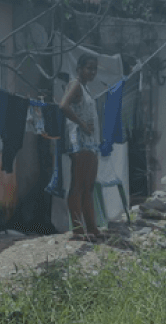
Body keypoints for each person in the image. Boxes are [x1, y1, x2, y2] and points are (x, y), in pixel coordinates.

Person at [60, 54, 103, 242]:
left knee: (89, 186)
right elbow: (63, 106)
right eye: (89, 68)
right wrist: (83, 125)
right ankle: (78, 229)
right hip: (80, 142)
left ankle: (92, 227)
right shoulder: (75, 84)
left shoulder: (85, 88)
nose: (92, 72)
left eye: (94, 69)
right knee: (77, 185)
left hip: (91, 143)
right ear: (79, 69)